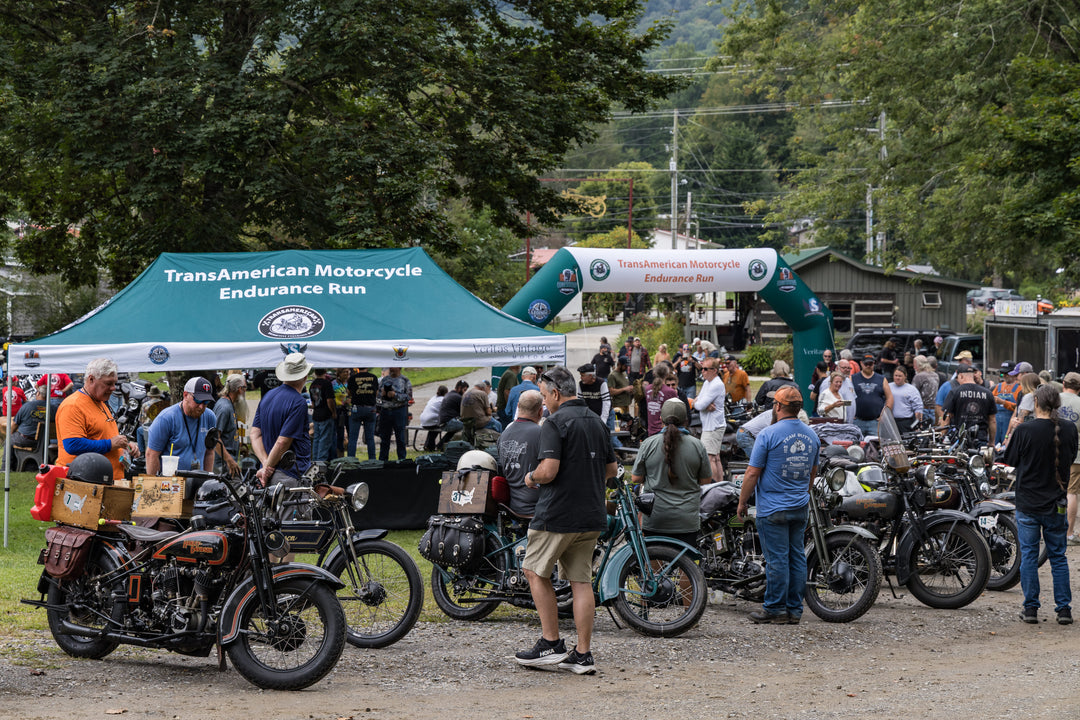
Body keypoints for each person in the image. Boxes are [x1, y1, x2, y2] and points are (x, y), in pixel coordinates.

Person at [515, 366, 616, 674]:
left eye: (545, 396)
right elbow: (611, 470)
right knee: (581, 582)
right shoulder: (597, 423)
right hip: (591, 514)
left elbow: (549, 470)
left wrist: (531, 477)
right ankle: (583, 655)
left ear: (556, 393)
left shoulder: (555, 422)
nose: (544, 403)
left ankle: (551, 643)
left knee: (533, 570)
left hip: (557, 514)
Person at [737, 385, 820, 624]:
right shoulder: (812, 435)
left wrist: (743, 502)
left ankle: (774, 608)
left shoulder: (768, 434)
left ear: (778, 407)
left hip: (772, 507)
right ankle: (794, 610)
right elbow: (812, 473)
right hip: (799, 506)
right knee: (797, 557)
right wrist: (803, 492)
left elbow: (752, 473)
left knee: (777, 560)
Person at [1005, 385, 1077, 625]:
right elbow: (1072, 454)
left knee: (1028, 556)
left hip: (1028, 503)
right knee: (1058, 556)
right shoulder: (1069, 429)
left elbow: (1010, 460)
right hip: (1057, 502)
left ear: (1035, 402)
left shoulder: (1025, 430)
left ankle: (1031, 608)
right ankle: (1064, 610)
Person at [631, 398, 712, 543]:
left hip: (655, 518)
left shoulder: (648, 444)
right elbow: (705, 480)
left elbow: (636, 479)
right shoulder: (697, 445)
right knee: (685, 564)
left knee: (655, 563)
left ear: (661, 419)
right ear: (686, 419)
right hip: (686, 520)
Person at [55, 357, 138, 481]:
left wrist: (123, 446)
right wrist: (110, 444)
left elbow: (102, 436)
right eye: (108, 383)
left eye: (114, 383)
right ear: (91, 379)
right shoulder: (73, 405)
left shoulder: (100, 402)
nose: (114, 388)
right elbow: (73, 445)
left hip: (105, 481)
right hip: (85, 482)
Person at [250, 352, 313, 494]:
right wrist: (267, 468)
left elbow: (255, 434)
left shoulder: (268, 396)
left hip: (269, 473)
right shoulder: (298, 402)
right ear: (305, 376)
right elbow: (282, 442)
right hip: (290, 475)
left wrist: (265, 463)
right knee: (294, 516)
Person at [145, 376, 217, 475]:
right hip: (172, 483)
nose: (201, 406)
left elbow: (209, 452)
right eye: (198, 400)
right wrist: (155, 486)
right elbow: (151, 454)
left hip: (198, 482)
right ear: (185, 395)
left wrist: (208, 481)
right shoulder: (166, 418)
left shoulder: (210, 417)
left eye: (206, 402)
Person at [496, 389, 543, 516]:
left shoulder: (504, 435)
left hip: (513, 508)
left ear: (518, 407)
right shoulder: (541, 433)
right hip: (539, 508)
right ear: (541, 411)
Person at [941, 366, 996, 445]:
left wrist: (942, 438)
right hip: (980, 439)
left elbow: (946, 419)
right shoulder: (987, 393)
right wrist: (991, 442)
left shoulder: (954, 392)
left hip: (960, 439)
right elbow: (992, 420)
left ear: (961, 376)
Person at [695, 358, 727, 481]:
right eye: (702, 368)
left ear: (714, 370)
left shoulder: (716, 384)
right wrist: (700, 403)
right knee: (716, 457)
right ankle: (720, 484)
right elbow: (699, 400)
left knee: (710, 458)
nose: (702, 371)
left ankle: (714, 487)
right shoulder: (707, 383)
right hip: (710, 425)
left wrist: (700, 403)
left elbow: (699, 405)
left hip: (713, 426)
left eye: (705, 369)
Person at [1057, 373, 1080, 545]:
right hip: (1077, 453)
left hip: (1054, 450)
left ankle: (1051, 529)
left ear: (1063, 383)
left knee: (1053, 488)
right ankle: (1069, 533)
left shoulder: (1054, 399)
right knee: (1072, 493)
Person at [851, 353, 893, 437]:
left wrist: (884, 415)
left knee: (875, 446)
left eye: (870, 364)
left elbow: (890, 398)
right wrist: (850, 414)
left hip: (875, 421)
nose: (868, 366)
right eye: (866, 364)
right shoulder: (852, 378)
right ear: (861, 363)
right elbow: (846, 397)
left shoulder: (881, 379)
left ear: (874, 363)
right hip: (857, 420)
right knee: (857, 447)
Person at [377, 367, 412, 461]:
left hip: (399, 410)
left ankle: (401, 459)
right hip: (385, 410)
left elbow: (408, 396)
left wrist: (395, 395)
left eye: (394, 366)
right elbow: (378, 395)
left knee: (400, 437)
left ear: (399, 368)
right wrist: (383, 394)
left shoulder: (405, 380)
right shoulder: (384, 380)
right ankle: (383, 460)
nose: (391, 368)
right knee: (384, 438)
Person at [213, 373, 245, 476]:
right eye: (245, 388)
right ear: (239, 389)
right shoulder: (224, 408)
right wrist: (229, 460)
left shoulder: (229, 405)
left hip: (227, 463)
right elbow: (214, 438)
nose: (245, 392)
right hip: (222, 466)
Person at [347, 367, 378, 459]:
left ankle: (351, 459)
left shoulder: (352, 378)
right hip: (370, 408)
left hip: (357, 408)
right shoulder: (374, 377)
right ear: (367, 367)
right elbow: (376, 392)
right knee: (370, 438)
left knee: (353, 437)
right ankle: (372, 460)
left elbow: (349, 392)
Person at [309, 368, 337, 463]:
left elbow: (312, 403)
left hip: (316, 414)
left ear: (315, 372)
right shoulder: (327, 384)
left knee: (316, 438)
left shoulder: (312, 385)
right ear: (325, 371)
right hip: (325, 414)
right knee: (324, 440)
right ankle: (321, 462)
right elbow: (330, 401)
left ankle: (314, 461)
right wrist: (333, 412)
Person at [992, 363, 1021, 446]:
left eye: (1006, 373)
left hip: (1009, 422)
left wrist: (1003, 402)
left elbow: (1018, 408)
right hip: (996, 423)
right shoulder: (998, 387)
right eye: (1002, 373)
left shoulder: (1019, 388)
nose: (1004, 376)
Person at [644, 364, 677, 436]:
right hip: (665, 430)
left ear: (654, 373)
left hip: (651, 430)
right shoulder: (670, 392)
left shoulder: (647, 389)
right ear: (667, 374)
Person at [889, 367, 923, 433]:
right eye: (896, 375)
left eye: (900, 376)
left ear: (905, 376)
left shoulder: (912, 389)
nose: (897, 378)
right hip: (890, 421)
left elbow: (918, 407)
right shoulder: (888, 387)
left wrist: (918, 424)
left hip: (905, 422)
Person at [437, 380, 469, 448]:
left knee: (457, 428)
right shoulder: (458, 397)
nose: (465, 392)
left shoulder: (450, 394)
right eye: (464, 390)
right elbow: (465, 412)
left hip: (443, 422)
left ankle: (441, 445)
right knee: (468, 427)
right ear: (459, 388)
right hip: (448, 422)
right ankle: (464, 446)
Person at [419, 385, 448, 452]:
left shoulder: (433, 398)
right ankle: (439, 445)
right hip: (431, 420)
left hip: (423, 420)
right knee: (440, 426)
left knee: (433, 428)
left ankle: (428, 445)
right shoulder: (443, 400)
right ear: (446, 393)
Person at [912, 355, 940, 419]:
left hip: (921, 410)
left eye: (915, 365)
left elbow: (913, 394)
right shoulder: (935, 375)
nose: (914, 367)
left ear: (919, 365)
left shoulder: (919, 376)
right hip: (932, 409)